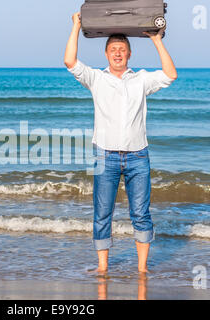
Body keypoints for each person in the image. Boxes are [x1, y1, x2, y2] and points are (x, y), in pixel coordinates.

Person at [64, 12, 177, 274]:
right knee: (102, 213)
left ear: (129, 55)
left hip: (138, 156)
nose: (118, 53)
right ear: (106, 54)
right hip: (105, 156)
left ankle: (142, 269)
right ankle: (102, 268)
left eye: (122, 49)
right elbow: (70, 60)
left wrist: (156, 41)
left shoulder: (142, 80)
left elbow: (171, 74)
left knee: (141, 213)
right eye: (113, 49)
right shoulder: (96, 79)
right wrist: (76, 25)